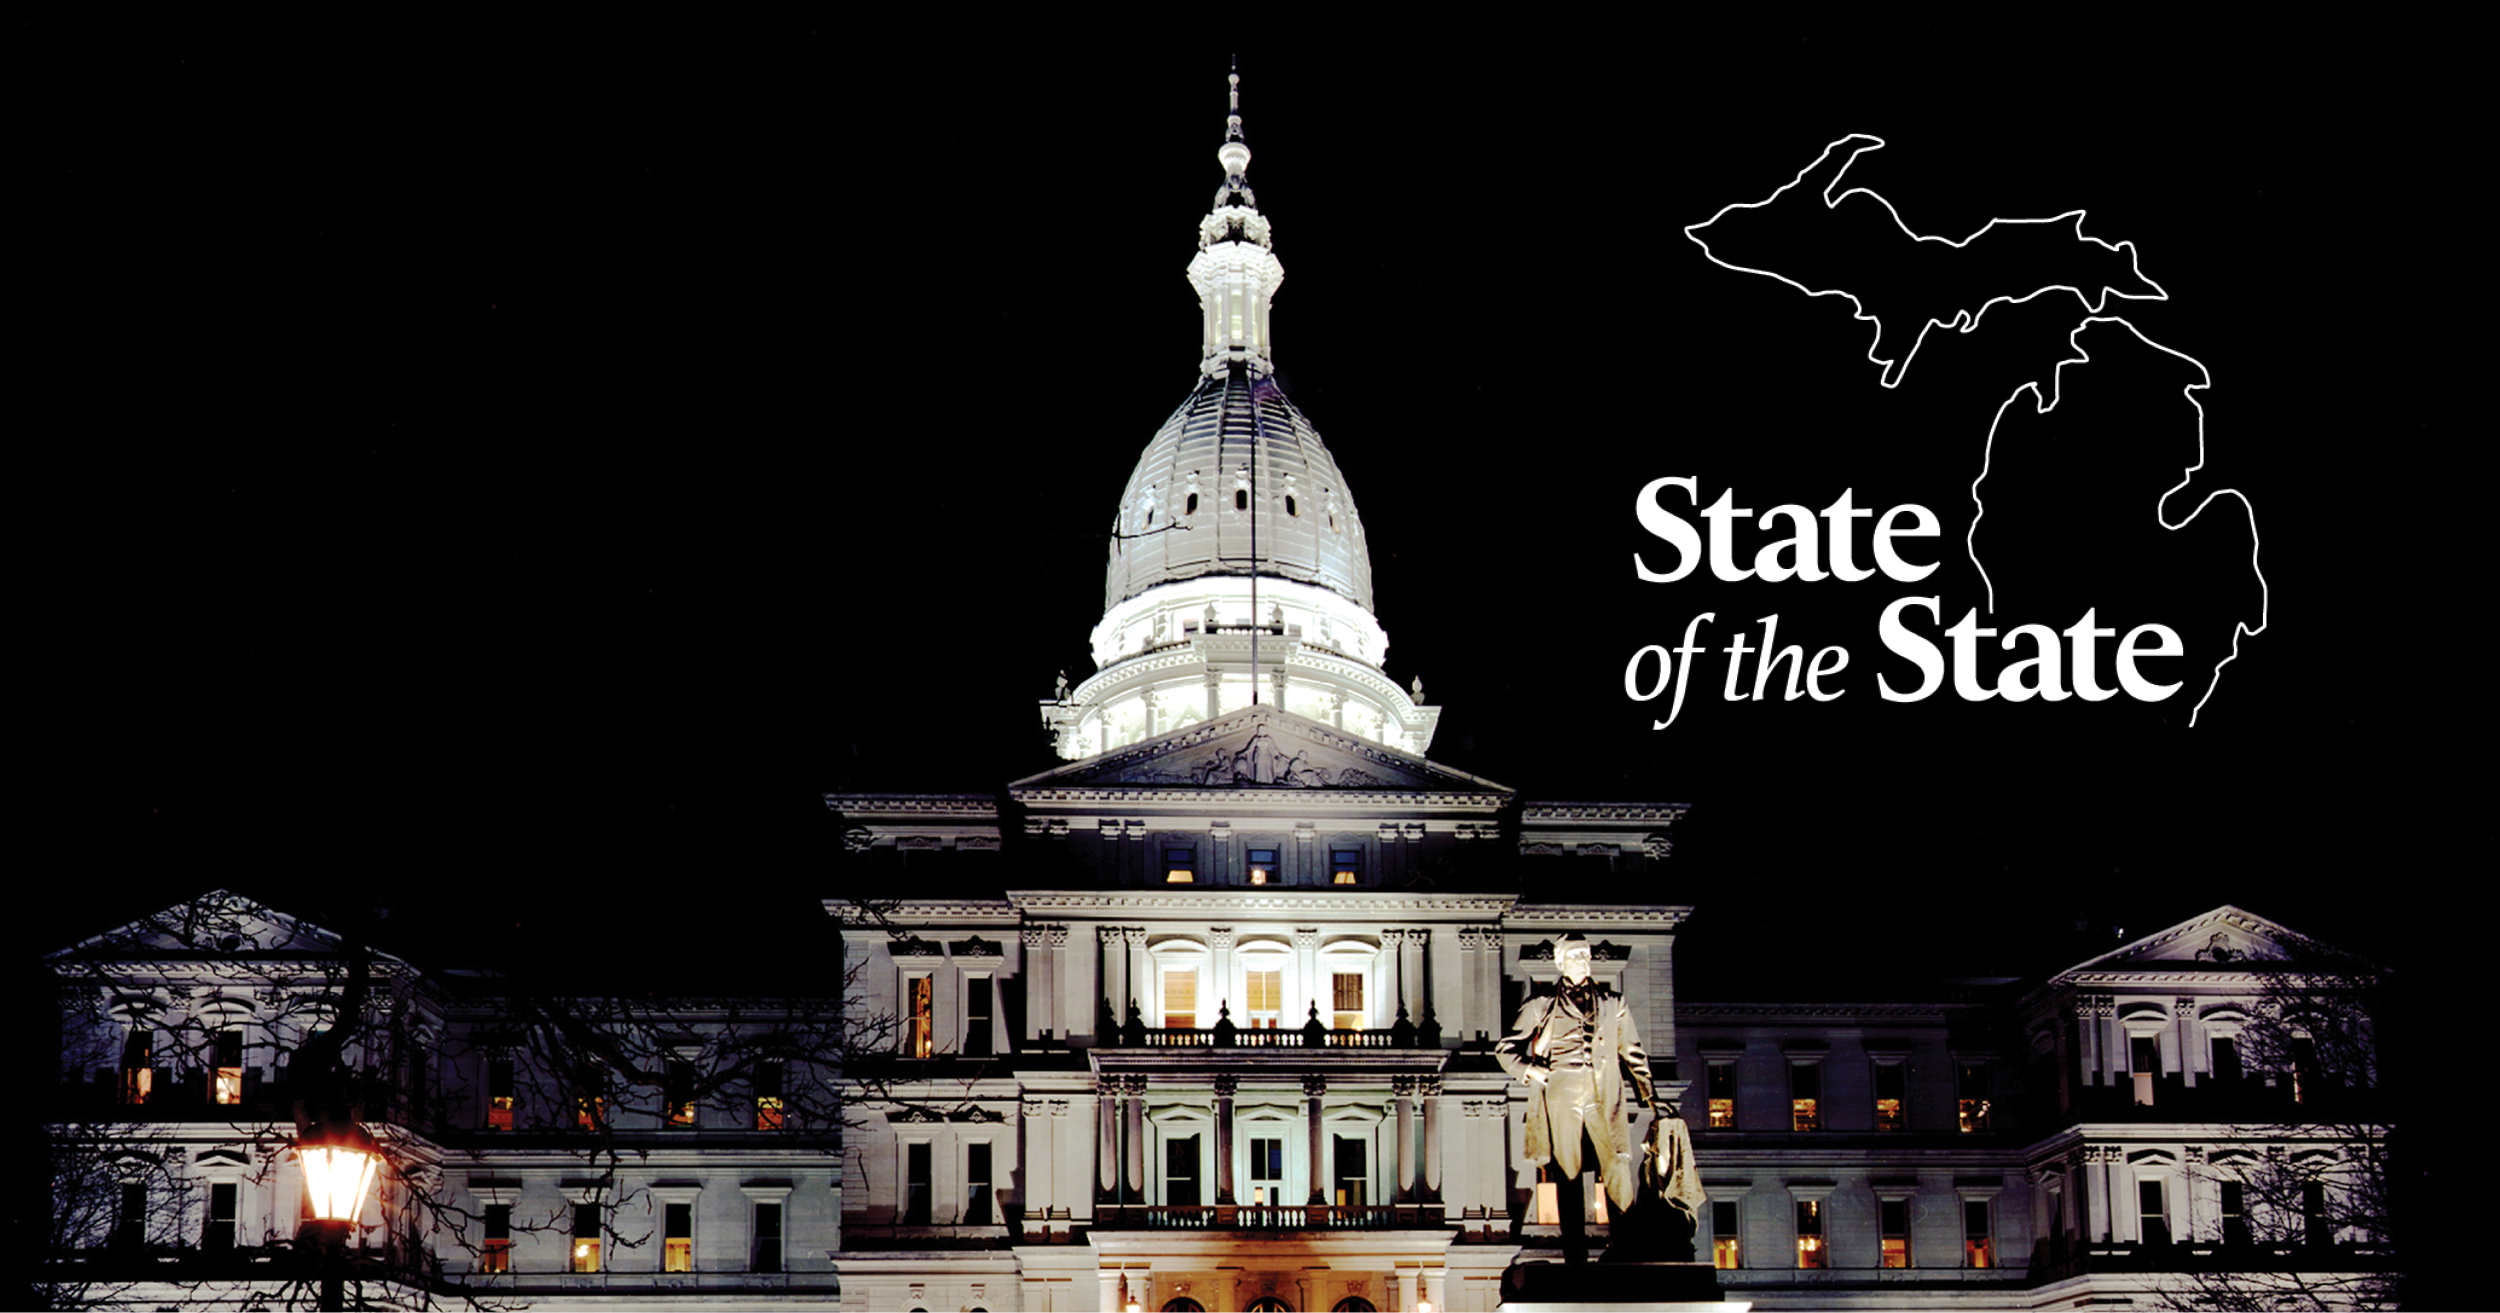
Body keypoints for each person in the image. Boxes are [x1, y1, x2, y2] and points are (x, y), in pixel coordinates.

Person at [1495, 934, 1657, 1262]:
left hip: (1605, 1094)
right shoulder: (1540, 1004)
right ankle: (1575, 1257)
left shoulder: (1614, 1003)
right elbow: (1505, 1049)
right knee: (1568, 1172)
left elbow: (1633, 1052)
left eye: (1585, 954)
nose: (1581, 960)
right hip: (1561, 1095)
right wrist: (1530, 1070)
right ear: (1560, 963)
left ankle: (1627, 1250)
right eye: (1573, 955)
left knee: (1617, 1166)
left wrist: (1650, 1095)